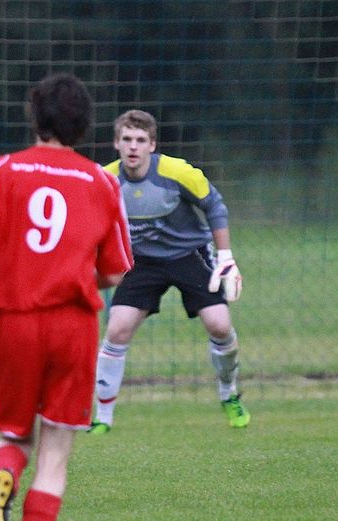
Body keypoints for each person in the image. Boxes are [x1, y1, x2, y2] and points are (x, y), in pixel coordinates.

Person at [0, 73, 133, 521]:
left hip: (13, 323)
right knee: (55, 451)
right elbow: (117, 271)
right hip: (73, 327)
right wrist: (72, 270)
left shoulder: (2, 170)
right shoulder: (102, 182)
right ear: (84, 125)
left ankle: (1, 480)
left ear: (35, 117)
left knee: (13, 433)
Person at [89, 109, 250, 434]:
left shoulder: (178, 173)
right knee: (117, 331)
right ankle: (102, 419)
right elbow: (91, 226)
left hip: (189, 255)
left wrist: (226, 257)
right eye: (127, 140)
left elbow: (215, 207)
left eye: (140, 140)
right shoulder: (104, 180)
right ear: (116, 143)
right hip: (140, 262)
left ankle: (228, 393)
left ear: (152, 145)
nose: (133, 147)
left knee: (220, 325)